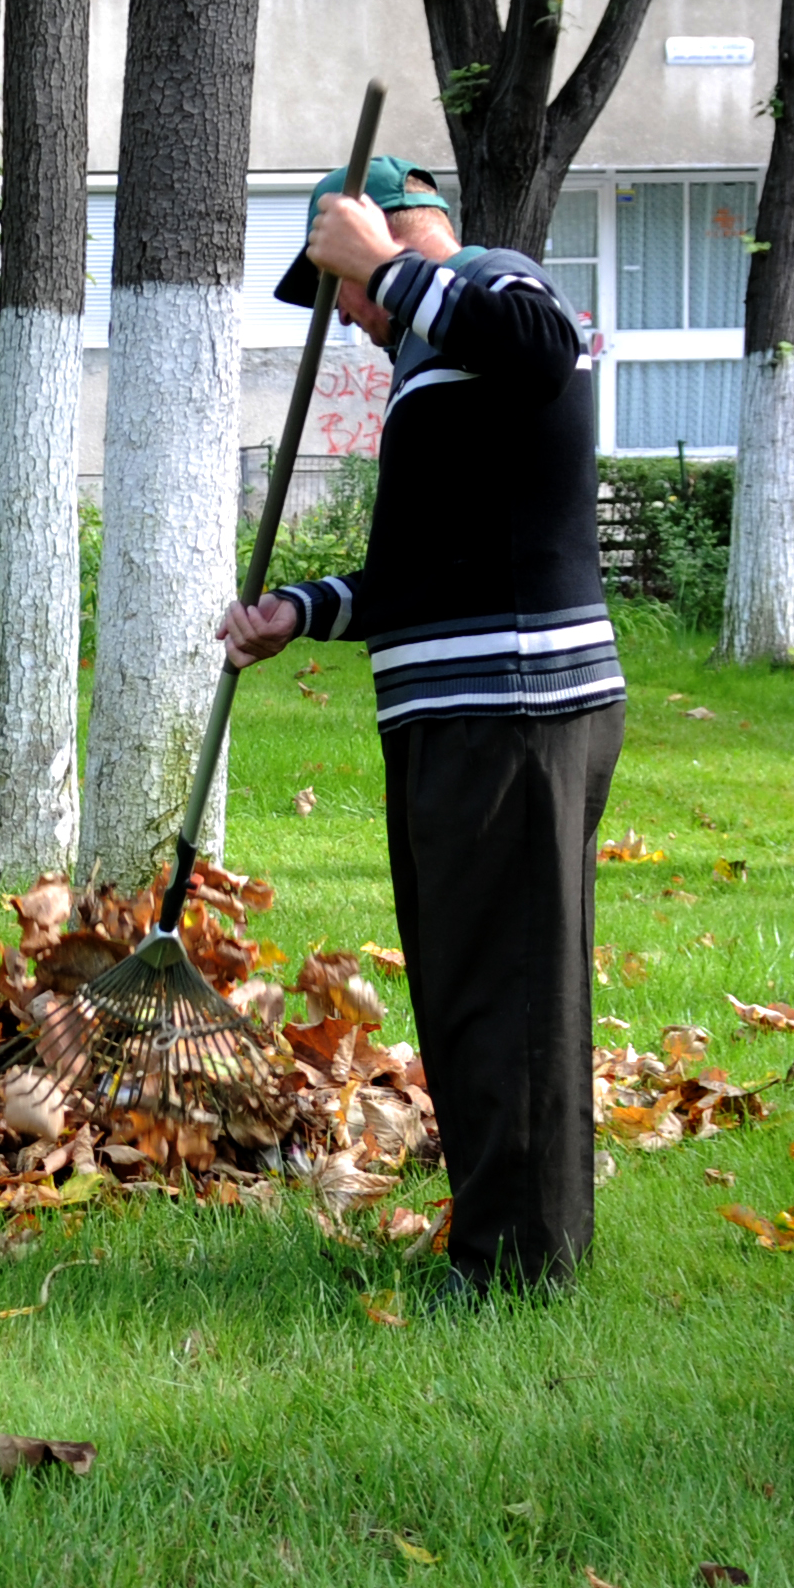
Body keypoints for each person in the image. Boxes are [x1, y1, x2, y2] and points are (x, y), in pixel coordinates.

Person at [228, 159, 624, 1298]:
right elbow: (418, 576)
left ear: (379, 235)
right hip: (467, 711)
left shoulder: (496, 288)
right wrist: (298, 613)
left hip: (512, 709)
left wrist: (392, 269)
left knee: (502, 991)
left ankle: (516, 1266)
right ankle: (519, 1240)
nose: (350, 319)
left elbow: (544, 347)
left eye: (338, 289)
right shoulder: (433, 364)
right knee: (470, 985)